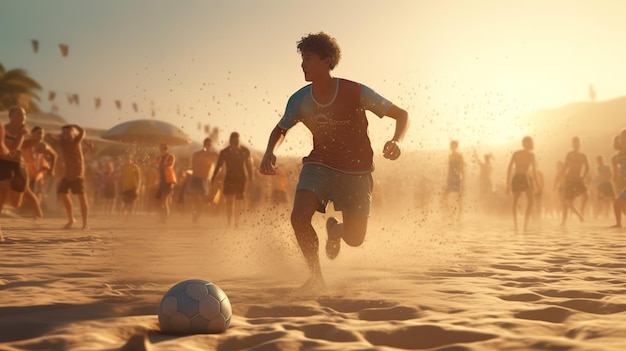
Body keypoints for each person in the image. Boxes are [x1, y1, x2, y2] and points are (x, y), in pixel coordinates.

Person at [258, 32, 410, 291]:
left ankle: (336, 230)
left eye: (308, 58)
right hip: (320, 166)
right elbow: (281, 128)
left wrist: (397, 141)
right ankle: (316, 278)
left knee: (355, 239)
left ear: (327, 61)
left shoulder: (355, 91)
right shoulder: (299, 100)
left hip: (357, 172)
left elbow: (401, 114)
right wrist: (270, 150)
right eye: (302, 59)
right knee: (298, 218)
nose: (302, 64)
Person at [47, 124, 89, 230]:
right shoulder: (62, 142)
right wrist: (61, 134)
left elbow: (83, 131)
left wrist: (74, 126)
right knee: (62, 194)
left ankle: (85, 223)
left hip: (78, 174)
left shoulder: (76, 141)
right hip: (67, 175)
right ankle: (71, 219)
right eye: (64, 133)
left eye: (69, 132)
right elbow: (48, 135)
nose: (66, 135)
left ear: (73, 133)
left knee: (81, 198)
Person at [211, 132, 254, 228]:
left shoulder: (245, 151)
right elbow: (218, 165)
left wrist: (251, 178)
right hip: (229, 178)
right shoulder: (224, 152)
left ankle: (236, 223)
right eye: (233, 141)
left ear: (239, 141)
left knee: (238, 201)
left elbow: (249, 166)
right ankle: (229, 222)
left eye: (237, 141)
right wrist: (213, 177)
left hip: (241, 178)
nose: (235, 143)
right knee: (229, 201)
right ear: (230, 141)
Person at [506, 136, 539, 231]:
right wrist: (507, 185)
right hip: (517, 177)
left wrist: (538, 185)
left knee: (531, 201)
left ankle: (525, 225)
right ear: (523, 143)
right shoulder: (516, 153)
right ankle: (515, 225)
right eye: (526, 142)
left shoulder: (531, 155)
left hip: (525, 178)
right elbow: (509, 168)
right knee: (515, 201)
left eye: (529, 142)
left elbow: (534, 171)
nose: (528, 144)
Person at [21, 126, 57, 207]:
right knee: (25, 189)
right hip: (26, 171)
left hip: (38, 172)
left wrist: (52, 169)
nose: (41, 135)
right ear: (32, 134)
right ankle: (24, 207)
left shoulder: (43, 145)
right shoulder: (25, 143)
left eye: (42, 133)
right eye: (38, 133)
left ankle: (36, 209)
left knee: (38, 190)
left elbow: (54, 155)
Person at [561, 136, 589, 224]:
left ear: (579, 144)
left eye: (577, 143)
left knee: (586, 195)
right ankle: (566, 220)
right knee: (568, 201)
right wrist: (563, 178)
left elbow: (587, 167)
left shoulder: (583, 155)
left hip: (578, 179)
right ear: (572, 144)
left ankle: (581, 210)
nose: (575, 144)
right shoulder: (569, 154)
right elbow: (564, 167)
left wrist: (584, 176)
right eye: (574, 143)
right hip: (569, 179)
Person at [189, 138, 218, 222]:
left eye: (209, 144)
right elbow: (192, 166)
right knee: (194, 196)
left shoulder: (213, 154)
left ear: (211, 145)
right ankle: (194, 212)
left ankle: (197, 214)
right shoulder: (196, 154)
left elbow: (222, 159)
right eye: (206, 143)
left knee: (201, 198)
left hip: (204, 178)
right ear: (204, 144)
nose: (207, 145)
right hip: (195, 177)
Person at [442, 140, 465, 221]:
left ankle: (459, 217)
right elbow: (449, 169)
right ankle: (451, 214)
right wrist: (448, 179)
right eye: (451, 145)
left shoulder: (459, 156)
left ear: (455, 146)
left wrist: (464, 181)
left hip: (457, 177)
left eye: (452, 145)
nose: (451, 146)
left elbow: (462, 168)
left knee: (459, 197)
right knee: (444, 196)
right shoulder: (450, 156)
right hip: (451, 177)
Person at [155, 143, 177, 222]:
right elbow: (156, 165)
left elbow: (170, 164)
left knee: (164, 200)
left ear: (167, 149)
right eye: (161, 148)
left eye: (164, 148)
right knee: (161, 200)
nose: (163, 149)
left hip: (169, 180)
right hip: (162, 180)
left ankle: (165, 218)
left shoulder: (170, 156)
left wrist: (161, 165)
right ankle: (162, 217)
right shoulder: (160, 157)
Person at [611, 130, 626, 227]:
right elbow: (616, 176)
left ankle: (618, 223)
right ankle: (618, 223)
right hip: (623, 183)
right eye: (622, 138)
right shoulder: (616, 157)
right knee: (619, 203)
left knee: (618, 202)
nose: (624, 140)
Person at [594, 155, 615, 219]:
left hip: (608, 184)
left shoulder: (607, 167)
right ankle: (597, 215)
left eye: (601, 160)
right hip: (601, 185)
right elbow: (599, 177)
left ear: (603, 160)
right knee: (602, 200)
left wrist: (605, 177)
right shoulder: (597, 168)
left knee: (611, 199)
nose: (600, 161)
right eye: (598, 160)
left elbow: (610, 175)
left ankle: (607, 213)